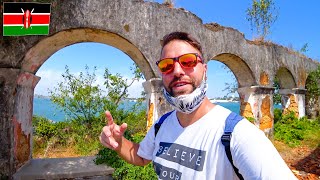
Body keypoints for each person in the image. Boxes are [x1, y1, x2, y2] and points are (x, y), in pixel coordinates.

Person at [100, 31, 297, 179]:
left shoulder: (237, 134)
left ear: (204, 69)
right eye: (167, 65)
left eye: (188, 61)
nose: (177, 70)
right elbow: (141, 157)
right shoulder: (162, 124)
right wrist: (119, 144)